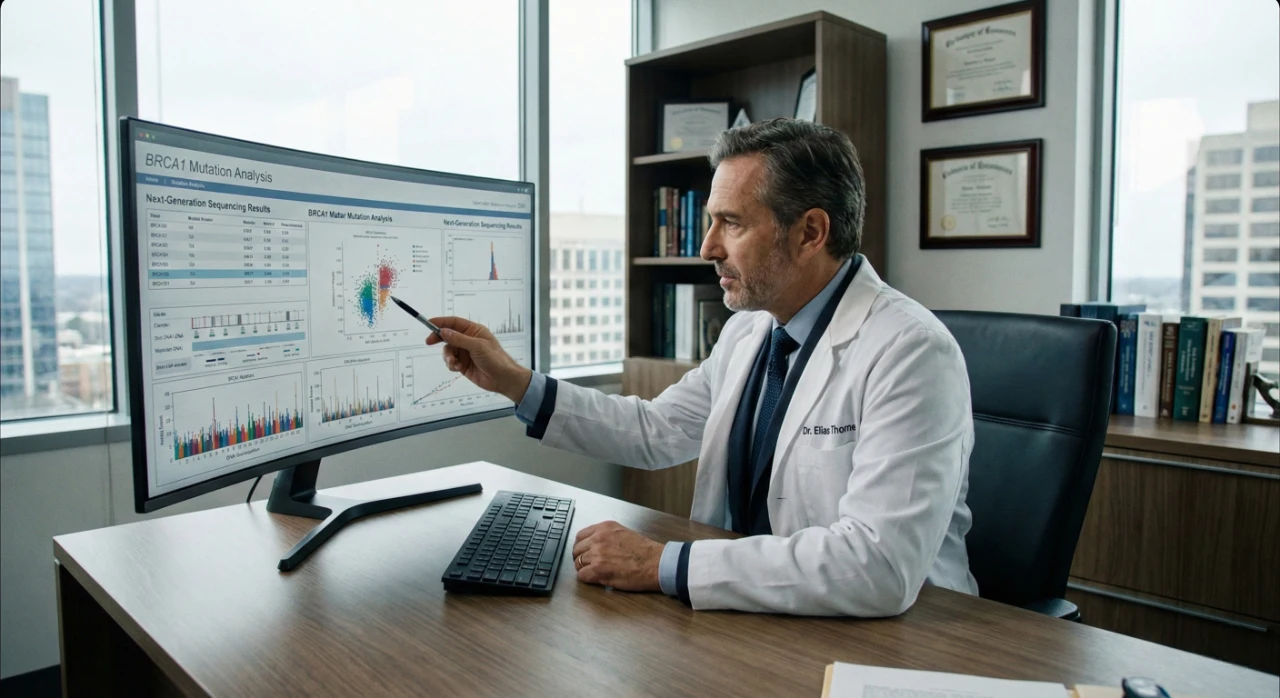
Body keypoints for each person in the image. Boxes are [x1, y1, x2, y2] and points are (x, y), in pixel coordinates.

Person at [427, 119, 977, 616]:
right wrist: (513, 381)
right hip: (755, 614)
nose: (706, 246)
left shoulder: (911, 351)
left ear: (811, 232)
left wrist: (662, 564)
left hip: (894, 639)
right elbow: (655, 430)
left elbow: (876, 566)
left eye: (730, 224)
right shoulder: (750, 330)